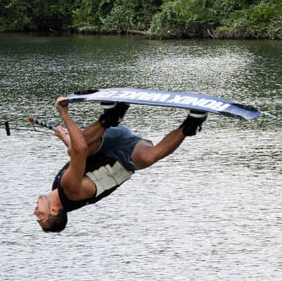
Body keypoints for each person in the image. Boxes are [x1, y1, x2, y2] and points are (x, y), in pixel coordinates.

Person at [33, 97, 203, 232]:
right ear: (54, 211)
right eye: (40, 217)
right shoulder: (70, 190)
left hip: (106, 142)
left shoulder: (58, 187)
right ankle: (191, 124)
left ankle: (112, 115)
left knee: (73, 149)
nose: (35, 213)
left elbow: (80, 156)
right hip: (127, 156)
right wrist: (64, 114)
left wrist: (64, 137)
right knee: (148, 158)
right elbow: (80, 149)